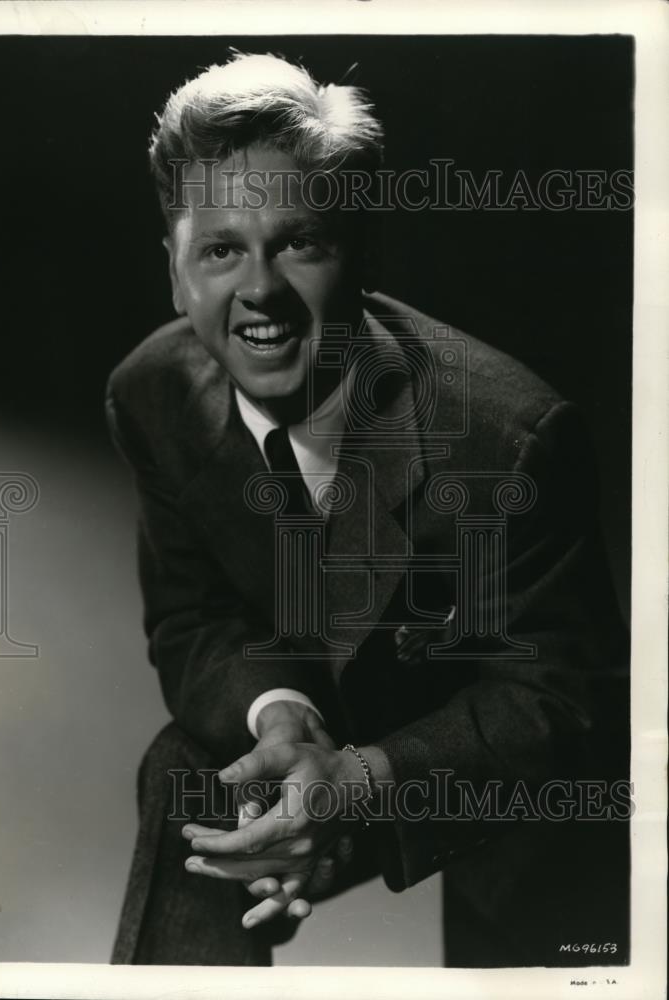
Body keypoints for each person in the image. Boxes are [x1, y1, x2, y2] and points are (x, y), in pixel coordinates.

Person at [106, 52, 630, 967]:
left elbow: (560, 700)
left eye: (300, 241)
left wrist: (356, 785)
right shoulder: (150, 392)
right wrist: (277, 719)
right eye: (220, 249)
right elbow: (194, 619)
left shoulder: (509, 436)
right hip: (315, 729)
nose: (259, 291)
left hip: (480, 767)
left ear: (361, 253)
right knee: (192, 773)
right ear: (174, 272)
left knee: (549, 892)